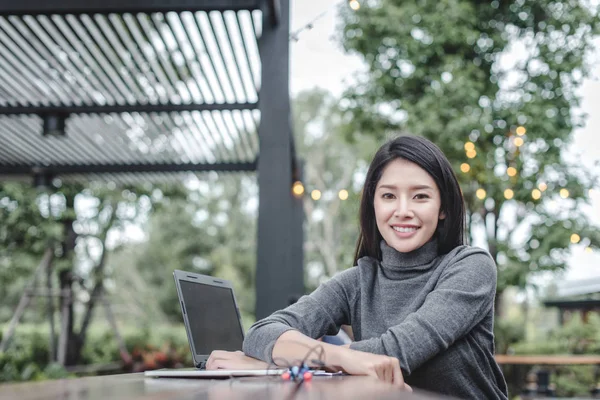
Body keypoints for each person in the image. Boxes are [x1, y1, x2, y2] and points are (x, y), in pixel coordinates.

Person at [206, 135, 508, 399]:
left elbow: (395, 353)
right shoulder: (358, 281)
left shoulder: (471, 267)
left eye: (420, 196)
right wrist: (326, 359)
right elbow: (261, 333)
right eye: (389, 195)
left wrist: (280, 363)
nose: (403, 211)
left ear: (442, 208)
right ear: (373, 204)